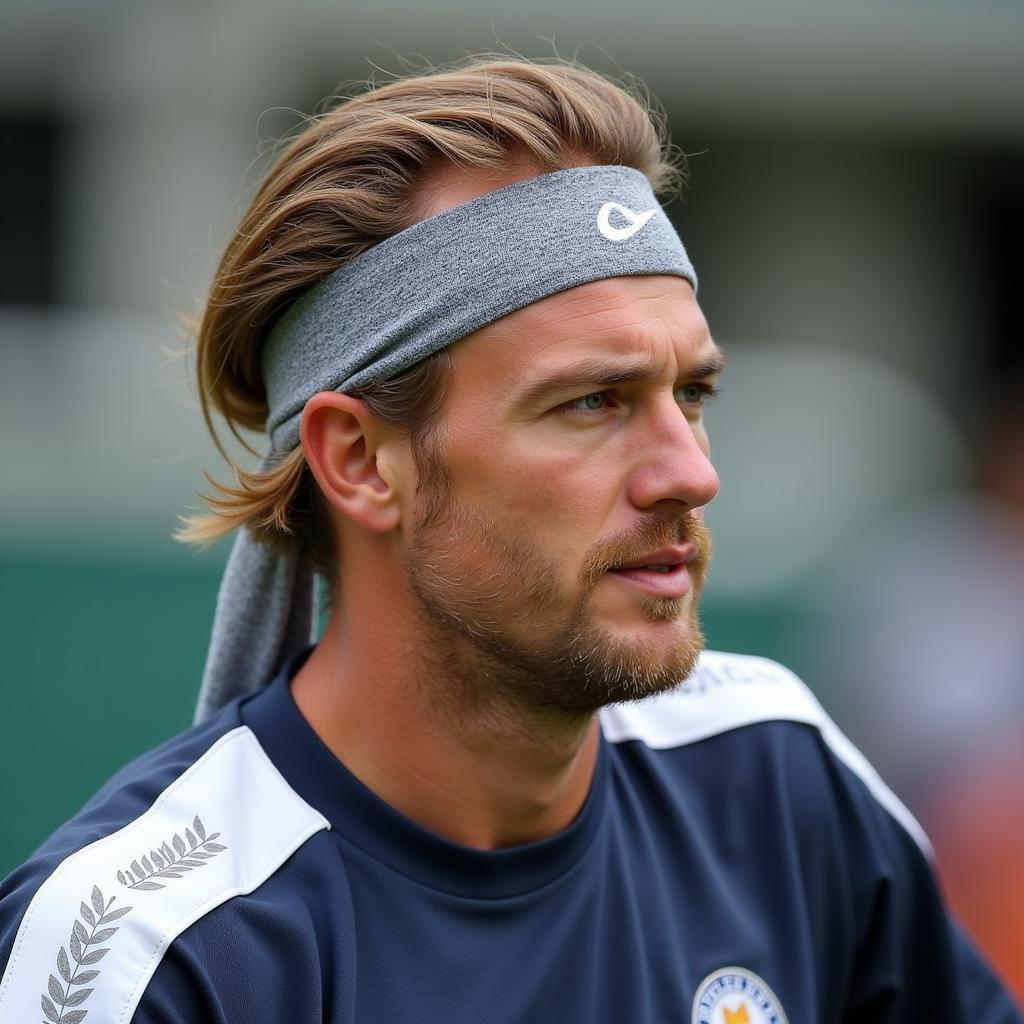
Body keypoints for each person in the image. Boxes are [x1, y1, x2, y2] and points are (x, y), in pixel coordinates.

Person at [0, 57, 1019, 1024]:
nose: (690, 472)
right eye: (589, 401)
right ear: (358, 459)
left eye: (691, 394)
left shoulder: (768, 770)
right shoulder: (152, 952)